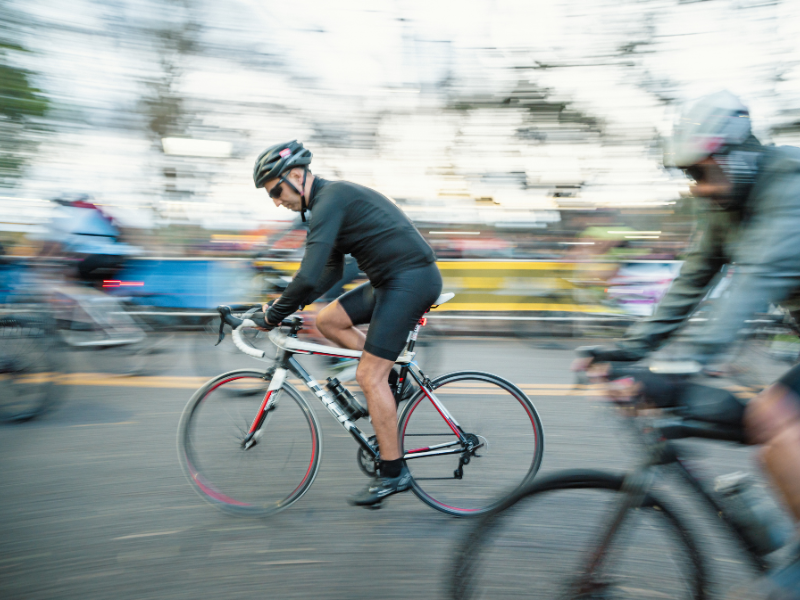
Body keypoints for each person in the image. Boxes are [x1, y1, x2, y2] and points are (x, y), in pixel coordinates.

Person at [575, 91, 800, 597]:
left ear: (737, 157)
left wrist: (676, 367)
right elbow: (692, 281)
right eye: (688, 175)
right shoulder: (724, 204)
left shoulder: (789, 185)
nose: (697, 187)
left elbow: (753, 285)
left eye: (701, 171)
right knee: (762, 425)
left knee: (772, 417)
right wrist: (630, 350)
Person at [252, 140, 442, 507]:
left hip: (411, 279)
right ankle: (391, 379)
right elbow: (328, 272)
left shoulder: (330, 200)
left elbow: (309, 276)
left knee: (368, 375)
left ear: (296, 176)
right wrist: (281, 306)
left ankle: (394, 473)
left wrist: (273, 315)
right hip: (391, 281)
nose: (276, 201)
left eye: (276, 191)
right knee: (328, 320)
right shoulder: (326, 204)